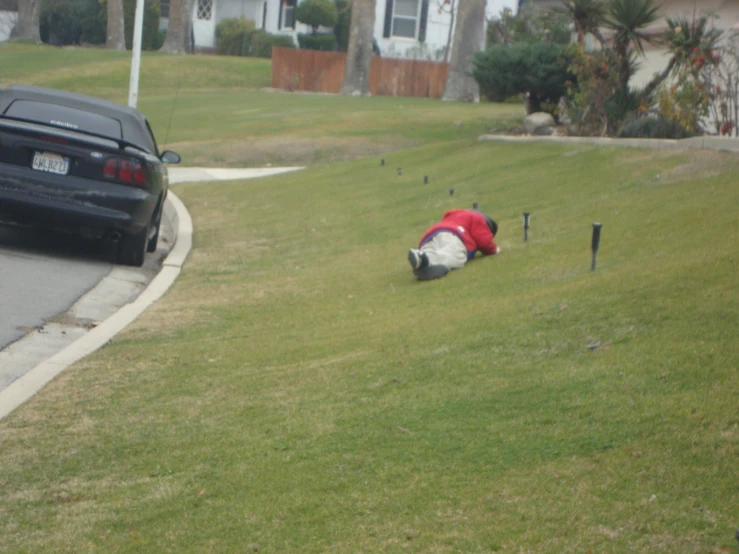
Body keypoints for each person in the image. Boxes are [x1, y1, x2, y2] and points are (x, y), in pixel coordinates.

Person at [407, 209, 500, 280]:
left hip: (431, 234)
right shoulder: (478, 218)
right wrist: (494, 250)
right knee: (455, 255)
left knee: (432, 247)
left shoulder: (455, 214)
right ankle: (427, 260)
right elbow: (484, 241)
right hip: (455, 235)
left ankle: (420, 256)